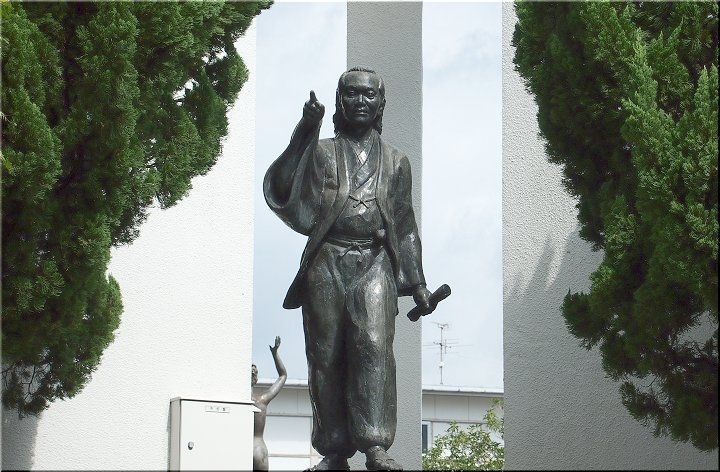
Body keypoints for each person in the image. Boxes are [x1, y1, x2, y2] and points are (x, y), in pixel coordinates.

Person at [264, 67, 432, 471]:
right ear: (340, 101)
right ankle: (333, 448)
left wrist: (418, 283)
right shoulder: (322, 152)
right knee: (324, 353)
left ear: (381, 104)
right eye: (352, 94)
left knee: (373, 346)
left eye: (369, 95)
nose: (360, 101)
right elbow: (284, 188)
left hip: (375, 261)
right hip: (327, 259)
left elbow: (405, 225)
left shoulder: (396, 162)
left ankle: (375, 445)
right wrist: (306, 129)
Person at [251, 336, 287, 471]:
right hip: (258, 449)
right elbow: (283, 375)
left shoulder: (237, 401)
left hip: (240, 447)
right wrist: (275, 353)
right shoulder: (262, 400)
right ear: (255, 379)